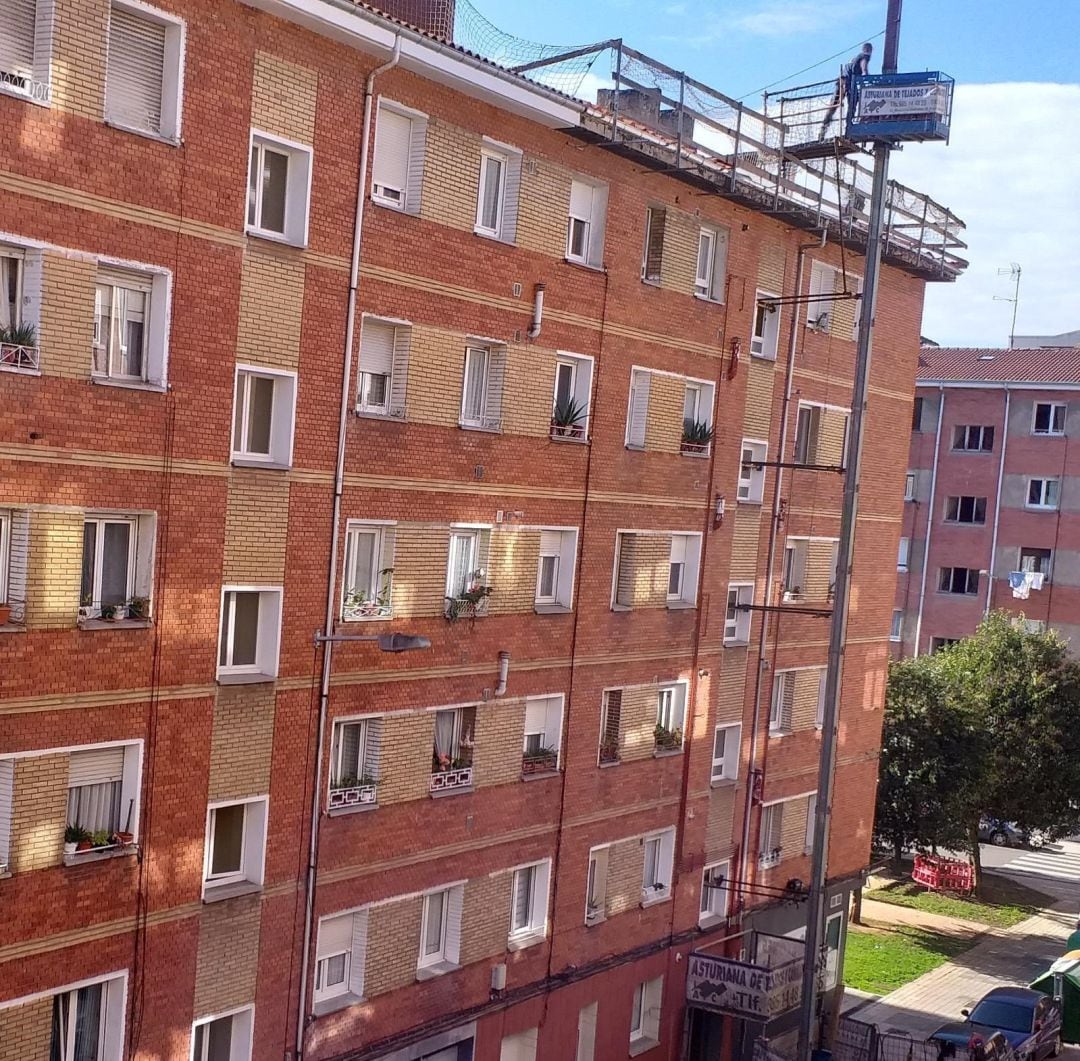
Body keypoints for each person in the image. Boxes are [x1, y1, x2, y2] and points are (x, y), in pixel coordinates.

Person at [818, 42, 874, 139]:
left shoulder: (855, 58)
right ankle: (849, 127)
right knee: (853, 102)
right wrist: (867, 77)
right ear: (869, 50)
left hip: (841, 81)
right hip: (849, 82)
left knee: (833, 106)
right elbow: (863, 67)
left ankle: (823, 128)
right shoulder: (865, 56)